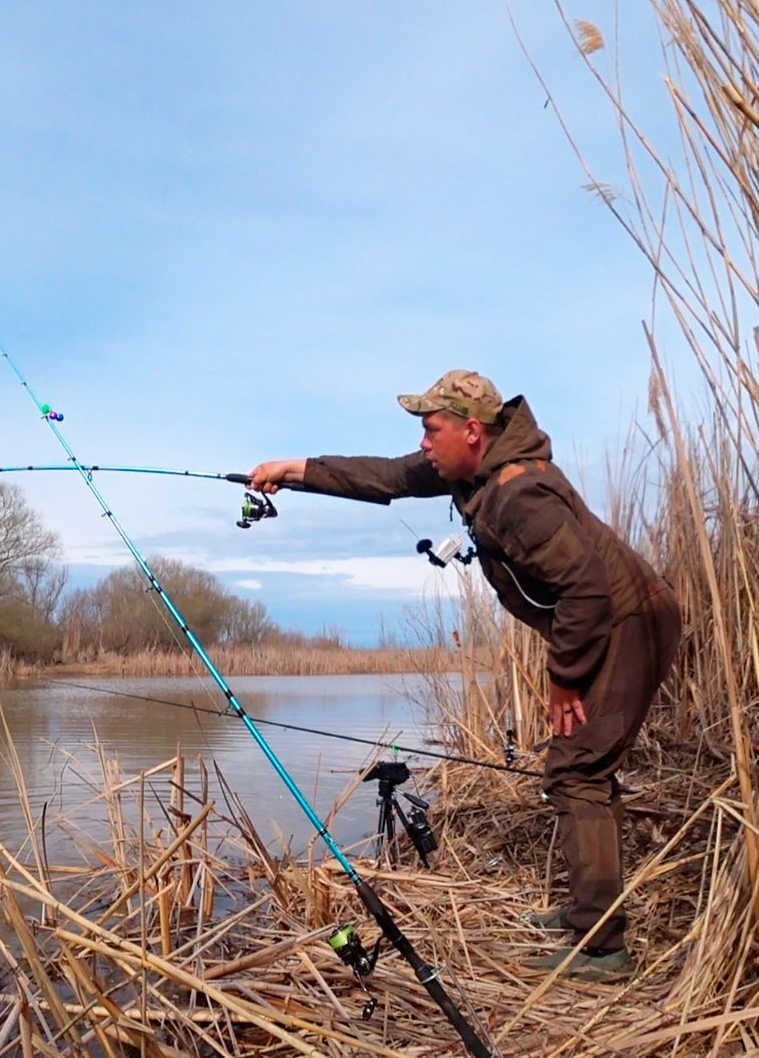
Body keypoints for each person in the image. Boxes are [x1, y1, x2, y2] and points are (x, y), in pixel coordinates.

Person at [248, 369, 683, 983]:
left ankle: (602, 947)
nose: (424, 444)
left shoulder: (521, 495)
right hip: (607, 620)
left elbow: (586, 589)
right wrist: (291, 470)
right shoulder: (469, 468)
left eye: (431, 430)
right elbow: (386, 477)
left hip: (628, 620)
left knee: (578, 769)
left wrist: (565, 678)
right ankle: (590, 908)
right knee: (582, 764)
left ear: (471, 431)